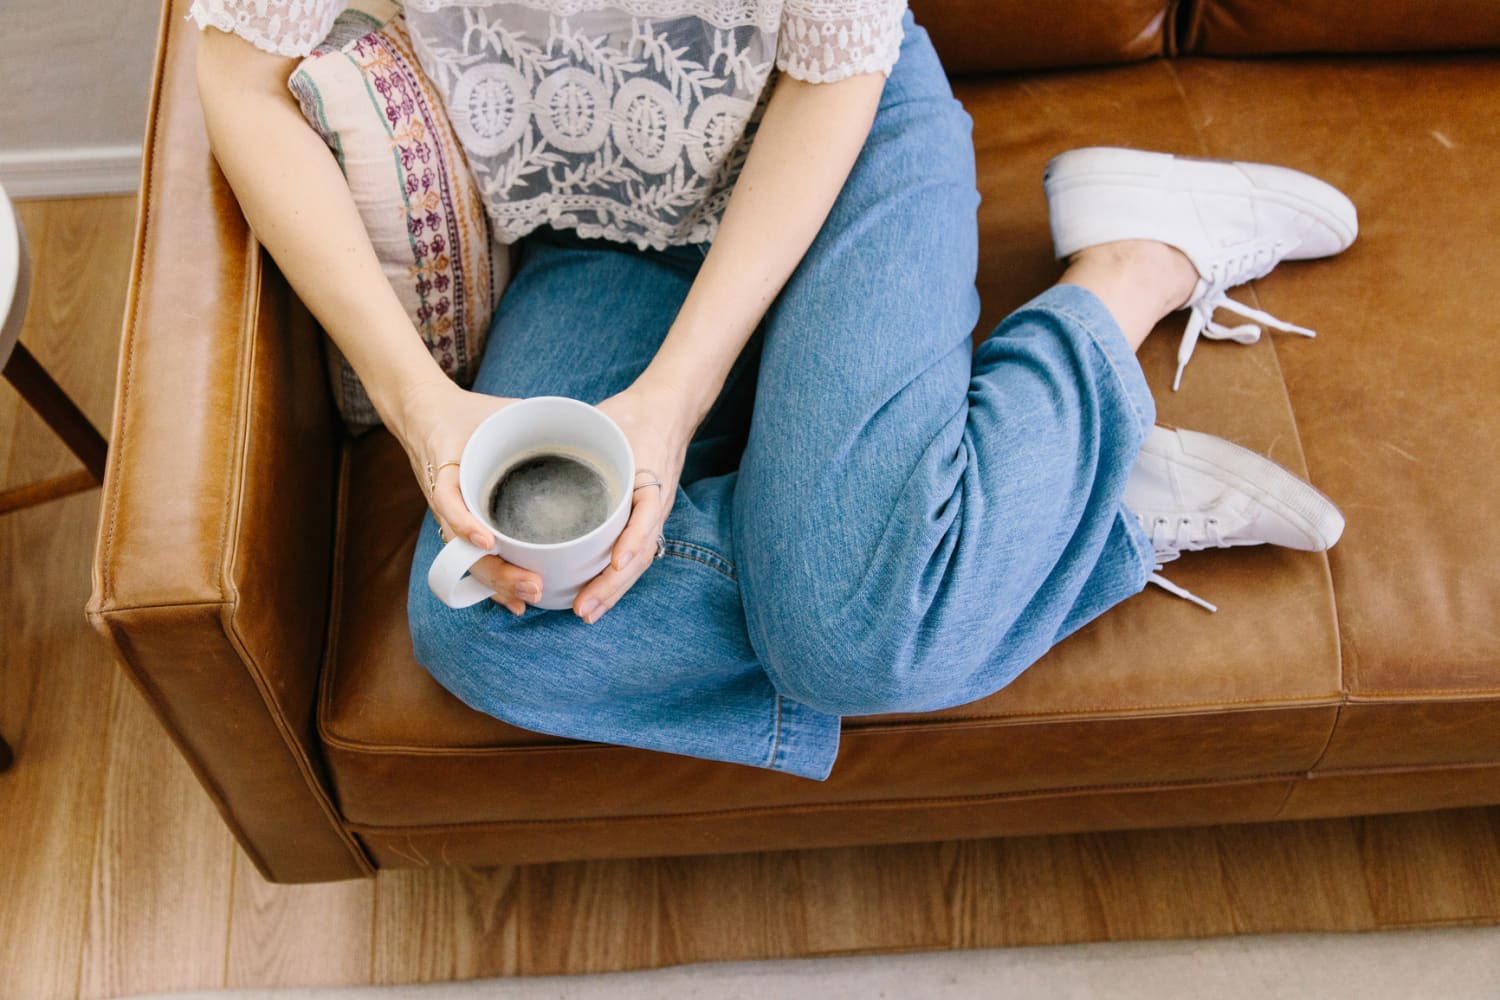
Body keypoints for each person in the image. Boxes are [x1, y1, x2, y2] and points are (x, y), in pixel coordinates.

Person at [193, 0, 1355, 781]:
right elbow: (239, 78)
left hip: (835, 135)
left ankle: (1130, 269)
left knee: (854, 641)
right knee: (479, 629)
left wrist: (673, 401)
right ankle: (1019, 503)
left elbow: (833, 72)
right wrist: (419, 405)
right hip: (597, 233)